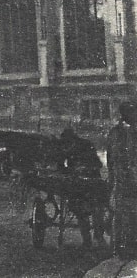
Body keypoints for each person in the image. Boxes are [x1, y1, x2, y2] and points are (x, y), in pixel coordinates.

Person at [58, 127, 107, 248]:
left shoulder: (86, 145)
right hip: (77, 183)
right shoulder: (66, 148)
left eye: (68, 141)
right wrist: (69, 171)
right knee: (79, 209)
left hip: (92, 181)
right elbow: (60, 165)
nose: (67, 145)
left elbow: (98, 164)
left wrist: (84, 168)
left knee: (97, 208)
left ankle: (98, 236)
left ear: (73, 138)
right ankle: (87, 239)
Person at [108, 101, 137, 259]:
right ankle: (121, 250)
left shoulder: (115, 132)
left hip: (125, 181)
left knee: (127, 216)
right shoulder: (119, 133)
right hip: (124, 182)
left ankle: (124, 249)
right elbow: (112, 159)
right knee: (123, 216)